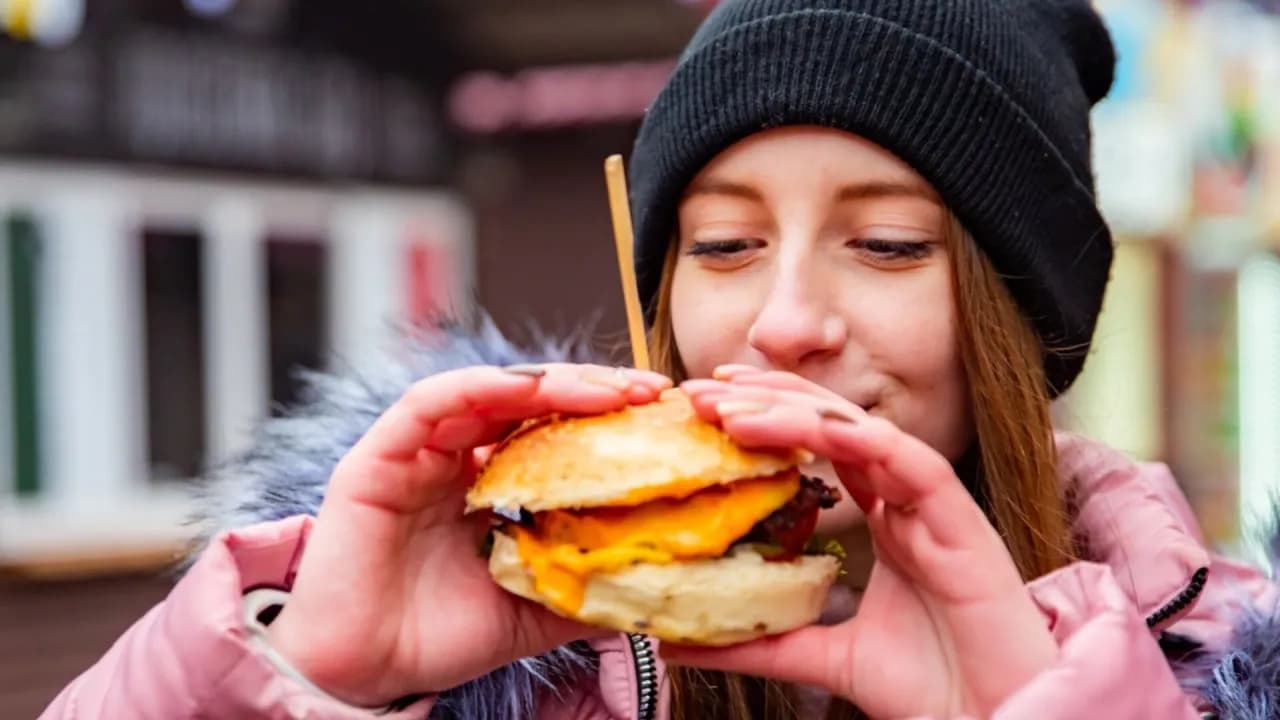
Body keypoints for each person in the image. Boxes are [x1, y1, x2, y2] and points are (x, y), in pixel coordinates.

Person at [40, 1, 1280, 719]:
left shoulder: (1220, 668)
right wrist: (306, 680)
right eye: (726, 241)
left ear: (1018, 329)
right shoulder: (495, 643)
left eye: (890, 243)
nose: (783, 319)